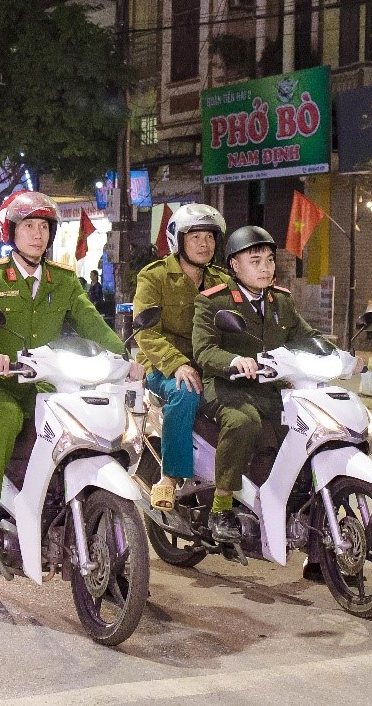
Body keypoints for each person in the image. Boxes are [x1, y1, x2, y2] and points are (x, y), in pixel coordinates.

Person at [0, 190, 142, 551]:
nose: (37, 235)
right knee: (6, 416)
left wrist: (124, 356)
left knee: (76, 422)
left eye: (43, 227)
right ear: (11, 231)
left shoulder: (62, 279)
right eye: (28, 226)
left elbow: (90, 321)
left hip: (45, 382)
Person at [192, 225, 317, 546]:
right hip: (226, 387)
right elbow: (205, 351)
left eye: (270, 260)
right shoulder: (214, 302)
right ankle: (221, 508)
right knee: (243, 421)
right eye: (255, 261)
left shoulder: (281, 302)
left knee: (309, 427)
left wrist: (342, 356)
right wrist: (235, 361)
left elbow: (308, 337)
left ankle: (300, 507)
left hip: (269, 389)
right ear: (235, 265)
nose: (265, 268)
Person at [133, 203, 230, 511]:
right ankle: (170, 477)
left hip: (209, 364)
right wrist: (177, 364)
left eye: (210, 237)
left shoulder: (222, 281)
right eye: (196, 237)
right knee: (185, 391)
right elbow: (146, 333)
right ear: (178, 240)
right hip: (162, 367)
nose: (204, 244)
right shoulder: (155, 277)